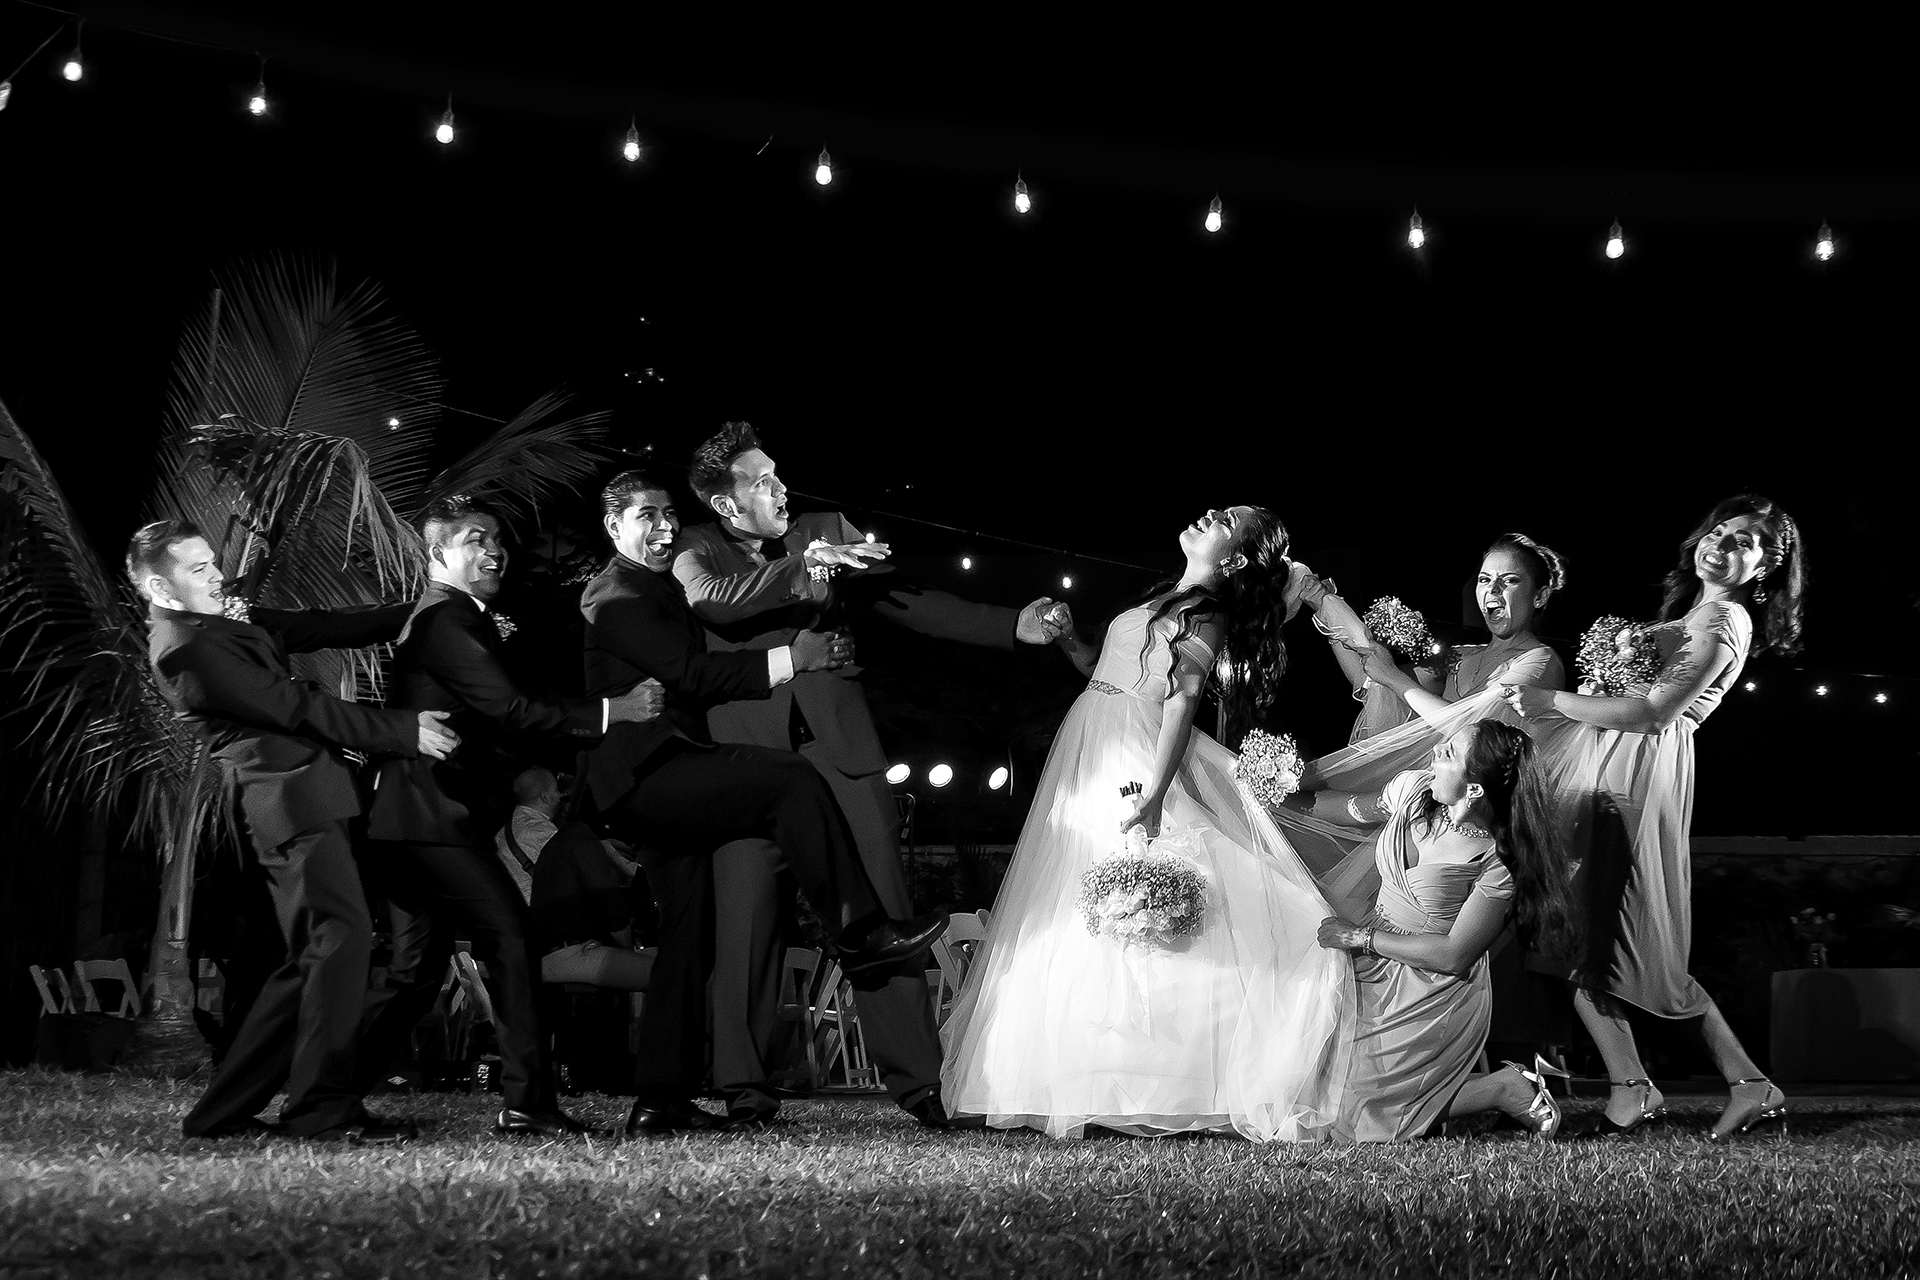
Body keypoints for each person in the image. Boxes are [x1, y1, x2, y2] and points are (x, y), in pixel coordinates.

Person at [673, 421, 1070, 1126]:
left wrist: (1013, 626)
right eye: (761, 480)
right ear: (727, 504)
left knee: (884, 914)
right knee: (745, 924)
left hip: (843, 759)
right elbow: (715, 603)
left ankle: (921, 1083)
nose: (780, 486)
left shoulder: (824, 527)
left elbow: (909, 599)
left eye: (778, 472)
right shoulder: (696, 551)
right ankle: (744, 1087)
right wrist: (810, 568)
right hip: (749, 764)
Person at [939, 507, 1355, 1140]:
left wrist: (1156, 792)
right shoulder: (1166, 596)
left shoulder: (1207, 611)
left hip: (1132, 753)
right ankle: (1083, 1074)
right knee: (1075, 901)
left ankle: (1155, 1075)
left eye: (1225, 520)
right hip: (1091, 736)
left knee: (1131, 889)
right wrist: (1069, 639)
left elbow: (1183, 696)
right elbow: (1107, 674)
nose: (1209, 512)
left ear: (1236, 559)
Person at [579, 470, 951, 1135]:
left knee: (689, 937)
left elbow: (900, 597)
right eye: (646, 517)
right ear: (613, 526)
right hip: (656, 775)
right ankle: (860, 936)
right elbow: (698, 655)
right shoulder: (621, 591)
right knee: (788, 786)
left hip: (684, 772)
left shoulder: (657, 583)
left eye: (667, 514)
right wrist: (795, 657)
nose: (664, 527)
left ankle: (659, 1100)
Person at [134, 518, 454, 1144]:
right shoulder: (184, 646)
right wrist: (402, 729)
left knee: (317, 952)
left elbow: (324, 628)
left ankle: (221, 1113)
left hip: (310, 794)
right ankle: (320, 1110)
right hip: (285, 799)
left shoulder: (212, 625)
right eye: (198, 569)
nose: (217, 575)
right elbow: (293, 707)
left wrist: (431, 604)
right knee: (341, 938)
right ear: (159, 587)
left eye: (213, 562)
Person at [1502, 494, 1805, 1140]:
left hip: (1638, 781)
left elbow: (1654, 714)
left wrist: (1551, 700)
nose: (1720, 544)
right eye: (1719, 530)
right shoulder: (1694, 614)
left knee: (1616, 939)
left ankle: (1739, 1082)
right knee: (1574, 933)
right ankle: (1637, 1085)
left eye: (1743, 541)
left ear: (1767, 569)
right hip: (1610, 771)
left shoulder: (1724, 623)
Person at [362, 497, 663, 1138]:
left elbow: (494, 717)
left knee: (415, 972)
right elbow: (512, 710)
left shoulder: (451, 618)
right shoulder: (446, 621)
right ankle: (528, 1100)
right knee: (513, 939)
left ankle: (325, 1090)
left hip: (416, 816)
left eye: (497, 538)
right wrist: (613, 712)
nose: (495, 549)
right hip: (428, 817)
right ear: (438, 553)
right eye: (477, 539)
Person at [1313, 720, 1580, 1141]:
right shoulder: (1413, 789)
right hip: (1369, 967)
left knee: (1355, 1122)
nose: (1436, 752)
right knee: (1313, 1091)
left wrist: (1359, 938)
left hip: (1429, 988)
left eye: (1450, 753)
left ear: (1474, 789)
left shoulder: (1499, 859)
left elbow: (1456, 955)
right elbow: (1348, 810)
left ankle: (1502, 1088)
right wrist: (1275, 792)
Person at [1319, 533, 1568, 743]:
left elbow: (1474, 734)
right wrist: (1324, 604)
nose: (1493, 590)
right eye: (1484, 580)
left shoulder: (1540, 659)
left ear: (1540, 596)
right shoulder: (1461, 655)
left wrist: (1394, 677)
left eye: (1510, 580)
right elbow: (1372, 681)